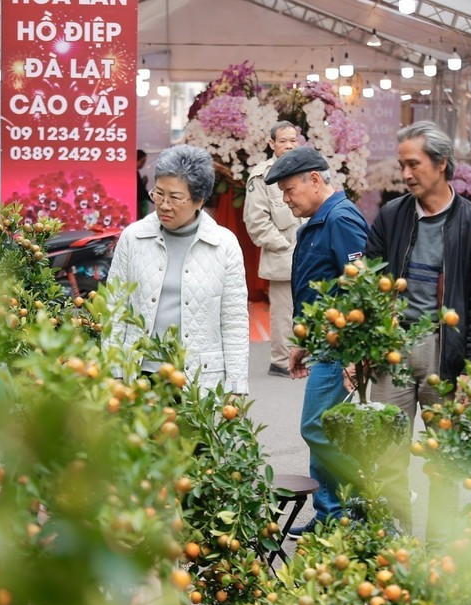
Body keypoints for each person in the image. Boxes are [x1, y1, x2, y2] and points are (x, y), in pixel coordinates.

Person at [364, 120, 471, 534]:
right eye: (402, 165)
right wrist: (365, 348)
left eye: (414, 164)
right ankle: (394, 548)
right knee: (387, 458)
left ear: (441, 163)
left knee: (445, 462)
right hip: (394, 353)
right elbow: (366, 284)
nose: (406, 175)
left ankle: (441, 551)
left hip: (446, 355)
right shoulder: (391, 217)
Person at [264, 146, 369, 534]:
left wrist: (354, 356)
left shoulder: (341, 220)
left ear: (315, 180)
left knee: (317, 428)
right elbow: (319, 287)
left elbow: (363, 291)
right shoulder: (320, 220)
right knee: (325, 428)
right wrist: (302, 339)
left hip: (341, 347)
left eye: (290, 190)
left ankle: (359, 504)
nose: (287, 200)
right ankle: (330, 515)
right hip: (323, 342)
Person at [107, 144, 249, 394]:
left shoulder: (223, 244)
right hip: (139, 375)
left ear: (199, 200)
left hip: (197, 379)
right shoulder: (133, 238)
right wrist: (114, 371)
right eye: (158, 194)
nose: (163, 205)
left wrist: (236, 387)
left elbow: (234, 320)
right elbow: (115, 307)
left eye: (174, 198)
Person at [243, 121, 301, 377]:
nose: (288, 145)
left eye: (293, 140)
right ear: (272, 144)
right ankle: (281, 361)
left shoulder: (308, 171)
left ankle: (303, 356)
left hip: (310, 254)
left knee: (310, 308)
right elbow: (256, 222)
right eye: (283, 141)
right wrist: (284, 245)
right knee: (284, 312)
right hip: (283, 257)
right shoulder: (261, 176)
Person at [136, 149, 152, 220]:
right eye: (141, 162)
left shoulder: (136, 173)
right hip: (137, 205)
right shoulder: (135, 173)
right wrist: (152, 198)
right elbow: (140, 191)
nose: (142, 165)